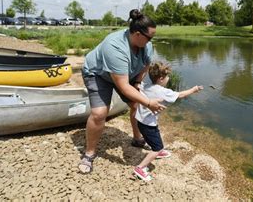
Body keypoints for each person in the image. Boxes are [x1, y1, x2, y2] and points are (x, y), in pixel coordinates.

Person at [78, 9, 166, 174]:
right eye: (150, 37)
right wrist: (148, 102)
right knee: (99, 113)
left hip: (125, 73)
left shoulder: (146, 45)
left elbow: (146, 64)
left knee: (135, 105)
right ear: (138, 34)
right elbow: (123, 86)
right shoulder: (115, 46)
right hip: (98, 74)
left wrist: (139, 81)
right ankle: (89, 153)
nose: (151, 41)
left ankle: (137, 139)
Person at [133, 61, 203, 181]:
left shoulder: (145, 86)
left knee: (155, 135)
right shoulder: (163, 92)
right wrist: (194, 89)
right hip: (148, 124)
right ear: (161, 78)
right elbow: (180, 95)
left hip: (141, 121)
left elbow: (137, 87)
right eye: (167, 77)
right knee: (157, 146)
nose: (168, 79)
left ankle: (158, 150)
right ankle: (140, 167)